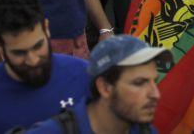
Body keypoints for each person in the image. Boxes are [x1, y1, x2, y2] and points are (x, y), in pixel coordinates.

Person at [0, 0, 91, 133]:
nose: (33, 60)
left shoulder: (84, 74)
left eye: (38, 46)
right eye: (19, 53)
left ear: (46, 28)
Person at [25, 35, 170, 134]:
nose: (155, 94)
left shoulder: (144, 129)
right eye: (140, 83)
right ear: (105, 87)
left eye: (154, 81)